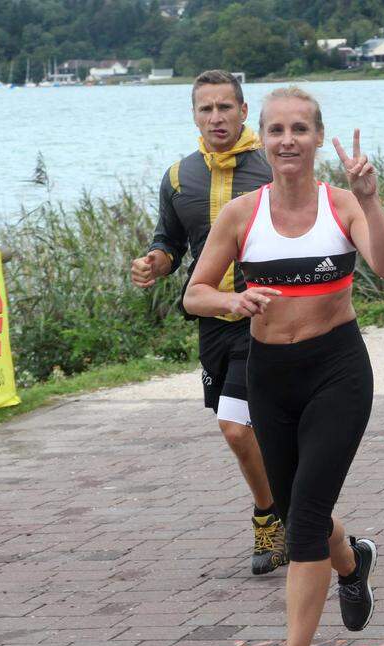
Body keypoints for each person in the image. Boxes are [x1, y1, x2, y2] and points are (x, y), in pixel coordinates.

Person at [184, 86, 384, 646]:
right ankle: (352, 563)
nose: (288, 140)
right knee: (293, 509)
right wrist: (234, 299)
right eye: (277, 129)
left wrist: (372, 200)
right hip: (270, 377)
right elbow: (195, 294)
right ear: (265, 137)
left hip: (337, 371)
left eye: (300, 129)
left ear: (315, 138)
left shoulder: (341, 204)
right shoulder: (241, 214)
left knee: (304, 518)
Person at [129, 70, 286, 576]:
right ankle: (287, 509)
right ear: (194, 115)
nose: (216, 117)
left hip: (271, 315)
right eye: (205, 109)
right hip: (213, 319)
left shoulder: (274, 165)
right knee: (246, 426)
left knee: (238, 428)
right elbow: (171, 240)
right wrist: (156, 260)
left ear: (244, 111)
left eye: (225, 107)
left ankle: (271, 517)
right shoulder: (180, 177)